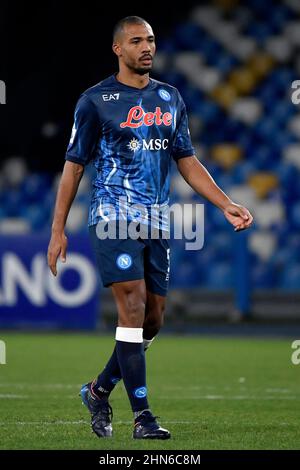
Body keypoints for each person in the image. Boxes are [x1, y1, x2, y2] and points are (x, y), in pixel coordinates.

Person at [47, 15, 253, 440]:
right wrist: (57, 229)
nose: (147, 47)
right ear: (118, 49)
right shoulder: (94, 101)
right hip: (112, 216)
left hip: (158, 220)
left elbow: (187, 160)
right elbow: (73, 168)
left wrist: (225, 203)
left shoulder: (170, 98)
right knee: (134, 305)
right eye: (137, 40)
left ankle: (98, 390)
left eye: (152, 40)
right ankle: (143, 417)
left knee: (154, 319)